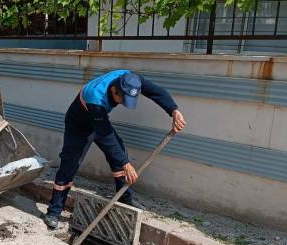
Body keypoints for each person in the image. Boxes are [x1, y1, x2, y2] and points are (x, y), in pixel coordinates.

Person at [43, 70, 186, 229]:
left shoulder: (131, 79)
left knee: (119, 153)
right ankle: (54, 211)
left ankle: (124, 197)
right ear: (113, 90)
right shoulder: (95, 97)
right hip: (79, 125)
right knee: (69, 164)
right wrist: (125, 163)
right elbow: (105, 134)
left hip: (100, 121)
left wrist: (173, 110)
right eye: (121, 99)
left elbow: (155, 91)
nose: (123, 103)